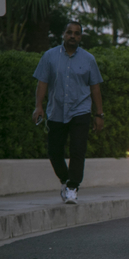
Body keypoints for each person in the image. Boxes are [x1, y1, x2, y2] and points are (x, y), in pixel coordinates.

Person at [32, 21, 104, 204]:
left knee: (78, 150)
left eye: (77, 33)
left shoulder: (88, 59)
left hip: (80, 110)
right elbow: (42, 83)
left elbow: (95, 88)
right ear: (63, 34)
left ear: (80, 37)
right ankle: (66, 180)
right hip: (56, 110)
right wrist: (38, 106)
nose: (73, 36)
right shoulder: (49, 57)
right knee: (54, 152)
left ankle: (72, 187)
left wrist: (99, 114)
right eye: (69, 33)